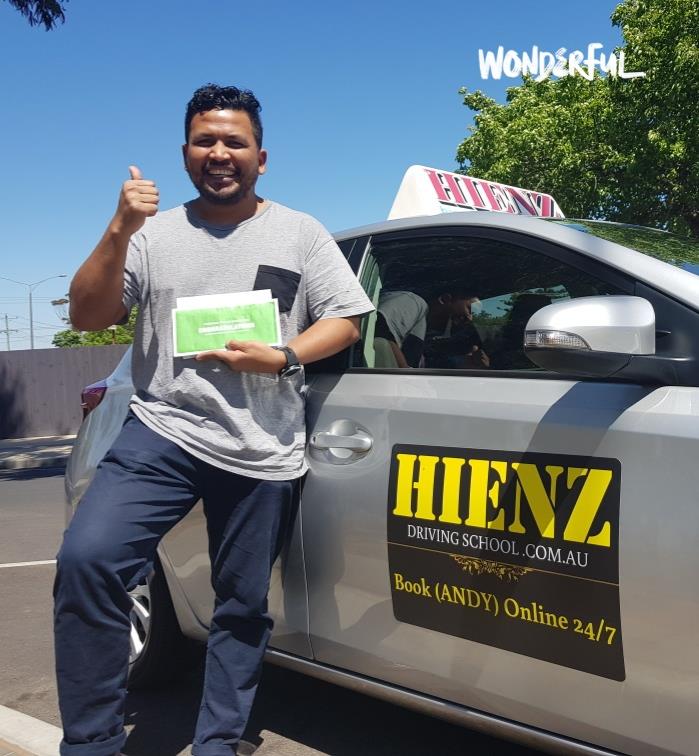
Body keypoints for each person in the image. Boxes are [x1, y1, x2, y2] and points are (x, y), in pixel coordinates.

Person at [53, 83, 373, 756]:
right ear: (185, 154)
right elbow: (86, 315)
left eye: (235, 142)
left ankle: (219, 741)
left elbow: (345, 318)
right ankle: (90, 745)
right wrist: (118, 228)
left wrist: (283, 355)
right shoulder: (151, 235)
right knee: (87, 562)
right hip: (161, 431)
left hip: (262, 447)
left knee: (241, 604)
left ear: (261, 157)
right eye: (205, 141)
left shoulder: (300, 232)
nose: (220, 153)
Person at [374, 286, 488, 369]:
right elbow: (378, 328)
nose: (470, 319)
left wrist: (464, 365)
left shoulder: (428, 336)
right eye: (470, 309)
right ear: (445, 299)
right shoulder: (413, 302)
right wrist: (407, 377)